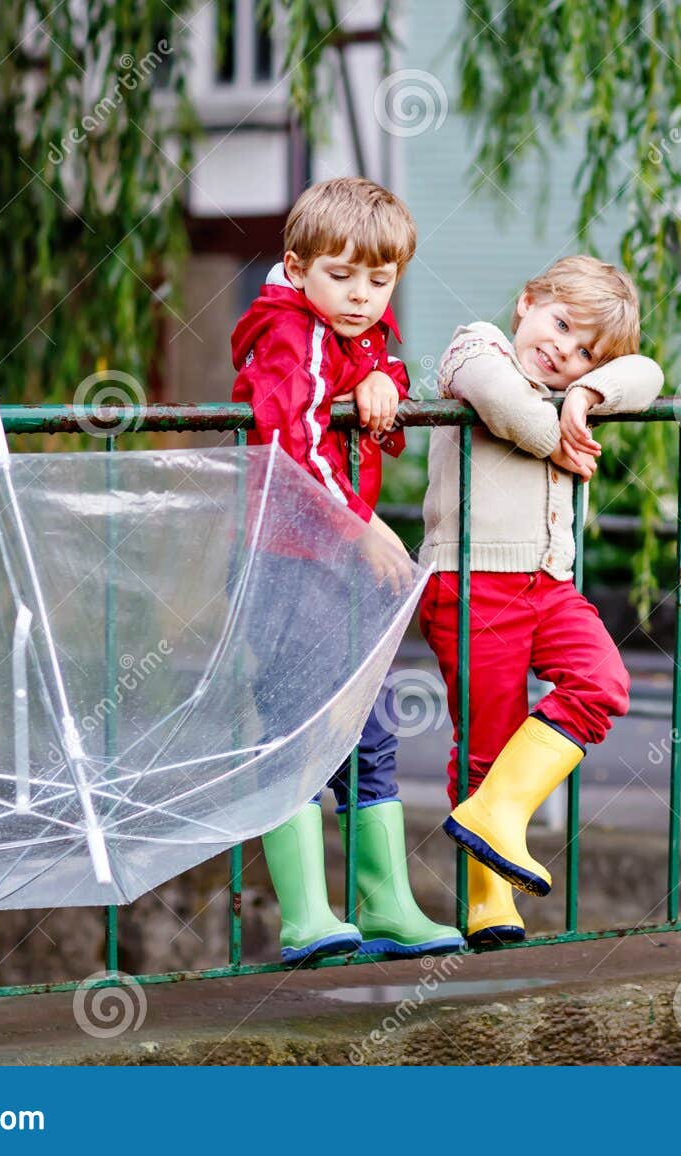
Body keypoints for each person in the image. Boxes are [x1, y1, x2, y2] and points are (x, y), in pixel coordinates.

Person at [230, 176, 461, 963]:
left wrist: (382, 380)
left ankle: (385, 902)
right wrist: (362, 529)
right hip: (286, 564)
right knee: (297, 725)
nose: (363, 295)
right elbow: (293, 436)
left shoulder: (352, 325)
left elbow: (383, 368)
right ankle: (305, 916)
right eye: (343, 275)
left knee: (371, 726)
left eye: (380, 278)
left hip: (336, 566)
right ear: (296, 269)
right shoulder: (288, 332)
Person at [417, 256, 663, 944]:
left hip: (549, 584)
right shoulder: (477, 345)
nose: (564, 350)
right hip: (472, 582)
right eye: (559, 324)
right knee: (486, 738)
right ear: (527, 303)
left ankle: (497, 814)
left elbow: (648, 373)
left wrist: (586, 397)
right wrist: (562, 440)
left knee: (601, 682)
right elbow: (499, 400)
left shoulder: (574, 392)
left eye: (585, 349)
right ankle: (488, 903)